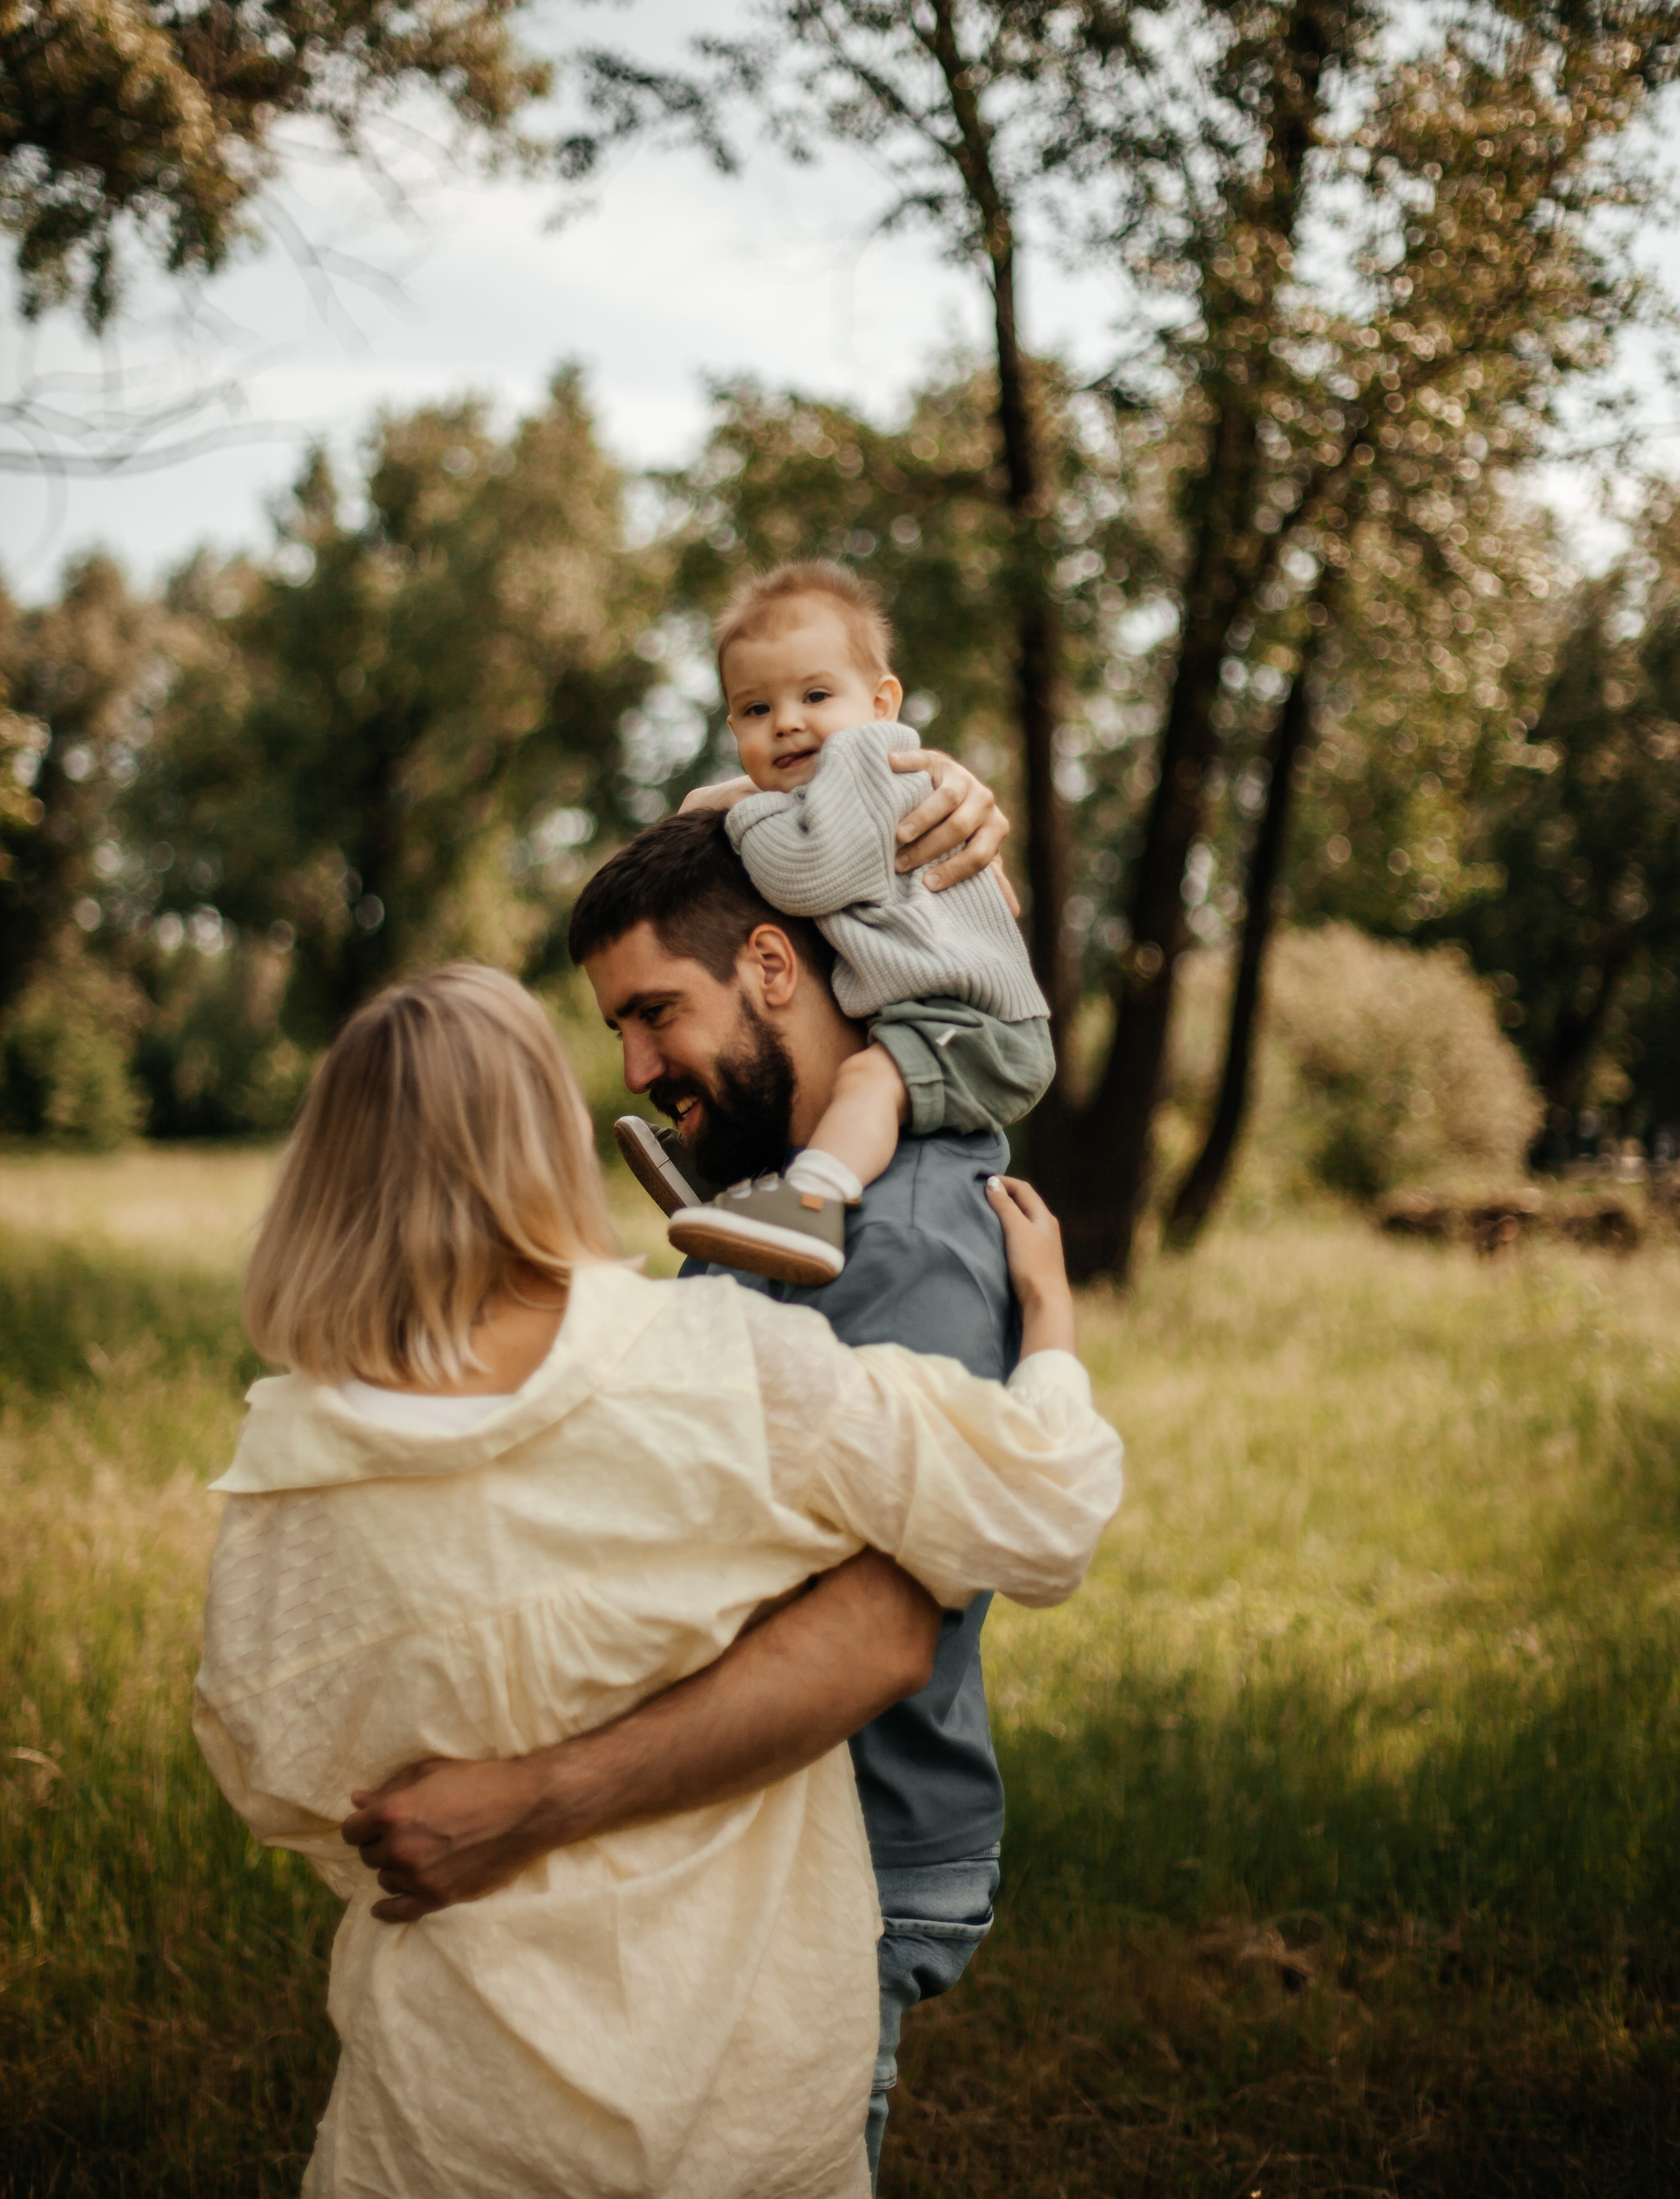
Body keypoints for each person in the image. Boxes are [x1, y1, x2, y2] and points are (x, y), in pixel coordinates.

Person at [197, 961, 1121, 2199]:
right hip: (746, 2076)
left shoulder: (288, 1474)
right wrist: (1048, 1325)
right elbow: (1043, 1513)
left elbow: (284, 1785)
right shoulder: (720, 1365)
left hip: (459, 2090)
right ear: (542, 1136)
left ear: (323, 1170)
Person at [650, 560, 1053, 1284]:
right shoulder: (838, 780)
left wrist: (741, 812)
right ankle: (736, 1183)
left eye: (814, 694)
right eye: (755, 711)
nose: (788, 723)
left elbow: (807, 876)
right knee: (816, 1066)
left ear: (881, 703)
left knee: (866, 1080)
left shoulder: (871, 760)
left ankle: (810, 1202)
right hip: (927, 1007)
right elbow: (698, 818)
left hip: (976, 1020)